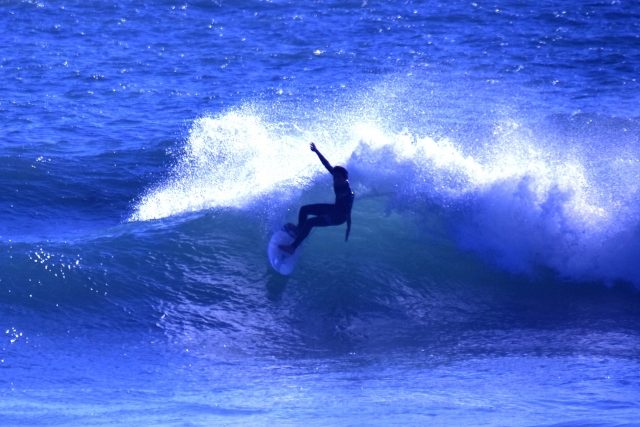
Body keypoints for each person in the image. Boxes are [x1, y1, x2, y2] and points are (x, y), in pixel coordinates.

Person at [279, 142, 354, 254]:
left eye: (338, 178)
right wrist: (316, 151)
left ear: (344, 179)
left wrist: (348, 230)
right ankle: (299, 230)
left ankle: (292, 248)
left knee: (310, 222)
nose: (335, 180)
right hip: (334, 208)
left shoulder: (348, 193)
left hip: (339, 217)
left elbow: (348, 214)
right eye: (334, 177)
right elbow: (326, 164)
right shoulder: (336, 176)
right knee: (304, 209)